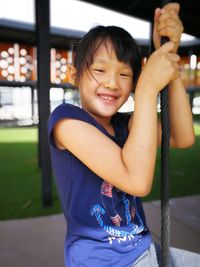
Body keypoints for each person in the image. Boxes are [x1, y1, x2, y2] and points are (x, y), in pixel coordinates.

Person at [48, 3, 199, 267]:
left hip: (143, 249)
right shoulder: (66, 121)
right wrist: (146, 90)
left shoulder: (126, 125)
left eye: (125, 74)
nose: (112, 83)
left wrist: (168, 56)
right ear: (75, 75)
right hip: (102, 261)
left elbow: (182, 136)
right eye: (99, 70)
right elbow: (137, 182)